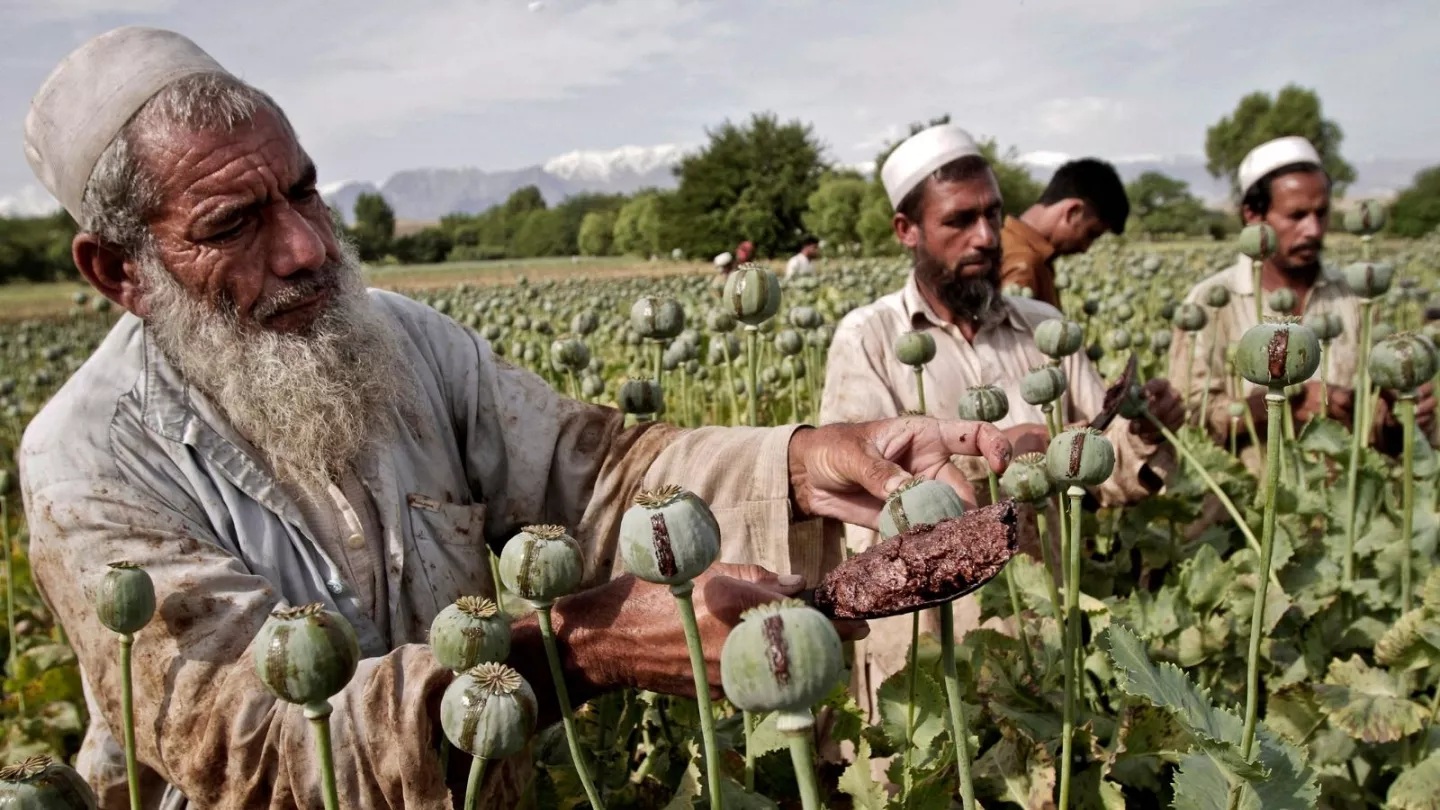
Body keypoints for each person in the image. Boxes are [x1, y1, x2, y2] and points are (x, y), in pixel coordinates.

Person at [17, 28, 1013, 809]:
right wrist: (574, 651)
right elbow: (256, 745)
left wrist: (802, 460)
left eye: (307, 191)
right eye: (233, 224)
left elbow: (602, 473)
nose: (307, 248)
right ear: (120, 272)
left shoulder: (399, 339)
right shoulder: (89, 461)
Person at [819, 123, 1184, 722]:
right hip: (928, 654)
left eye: (994, 215)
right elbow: (859, 501)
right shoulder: (869, 339)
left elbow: (1101, 470)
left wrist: (1143, 433)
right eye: (960, 221)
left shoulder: (1044, 328)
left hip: (1040, 634)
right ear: (907, 231)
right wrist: (999, 458)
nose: (986, 237)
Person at [1168, 135, 1435, 463]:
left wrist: (1398, 416)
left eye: (1321, 214)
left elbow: (1377, 414)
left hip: (1344, 503)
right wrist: (1285, 400)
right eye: (1296, 216)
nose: (1313, 230)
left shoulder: (1355, 298)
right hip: (1244, 506)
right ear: (1253, 215)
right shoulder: (1209, 303)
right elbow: (1189, 418)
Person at [999, 158, 1130, 310]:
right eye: (1091, 234)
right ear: (1072, 212)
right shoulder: (1023, 265)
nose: (1085, 248)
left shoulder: (1007, 242)